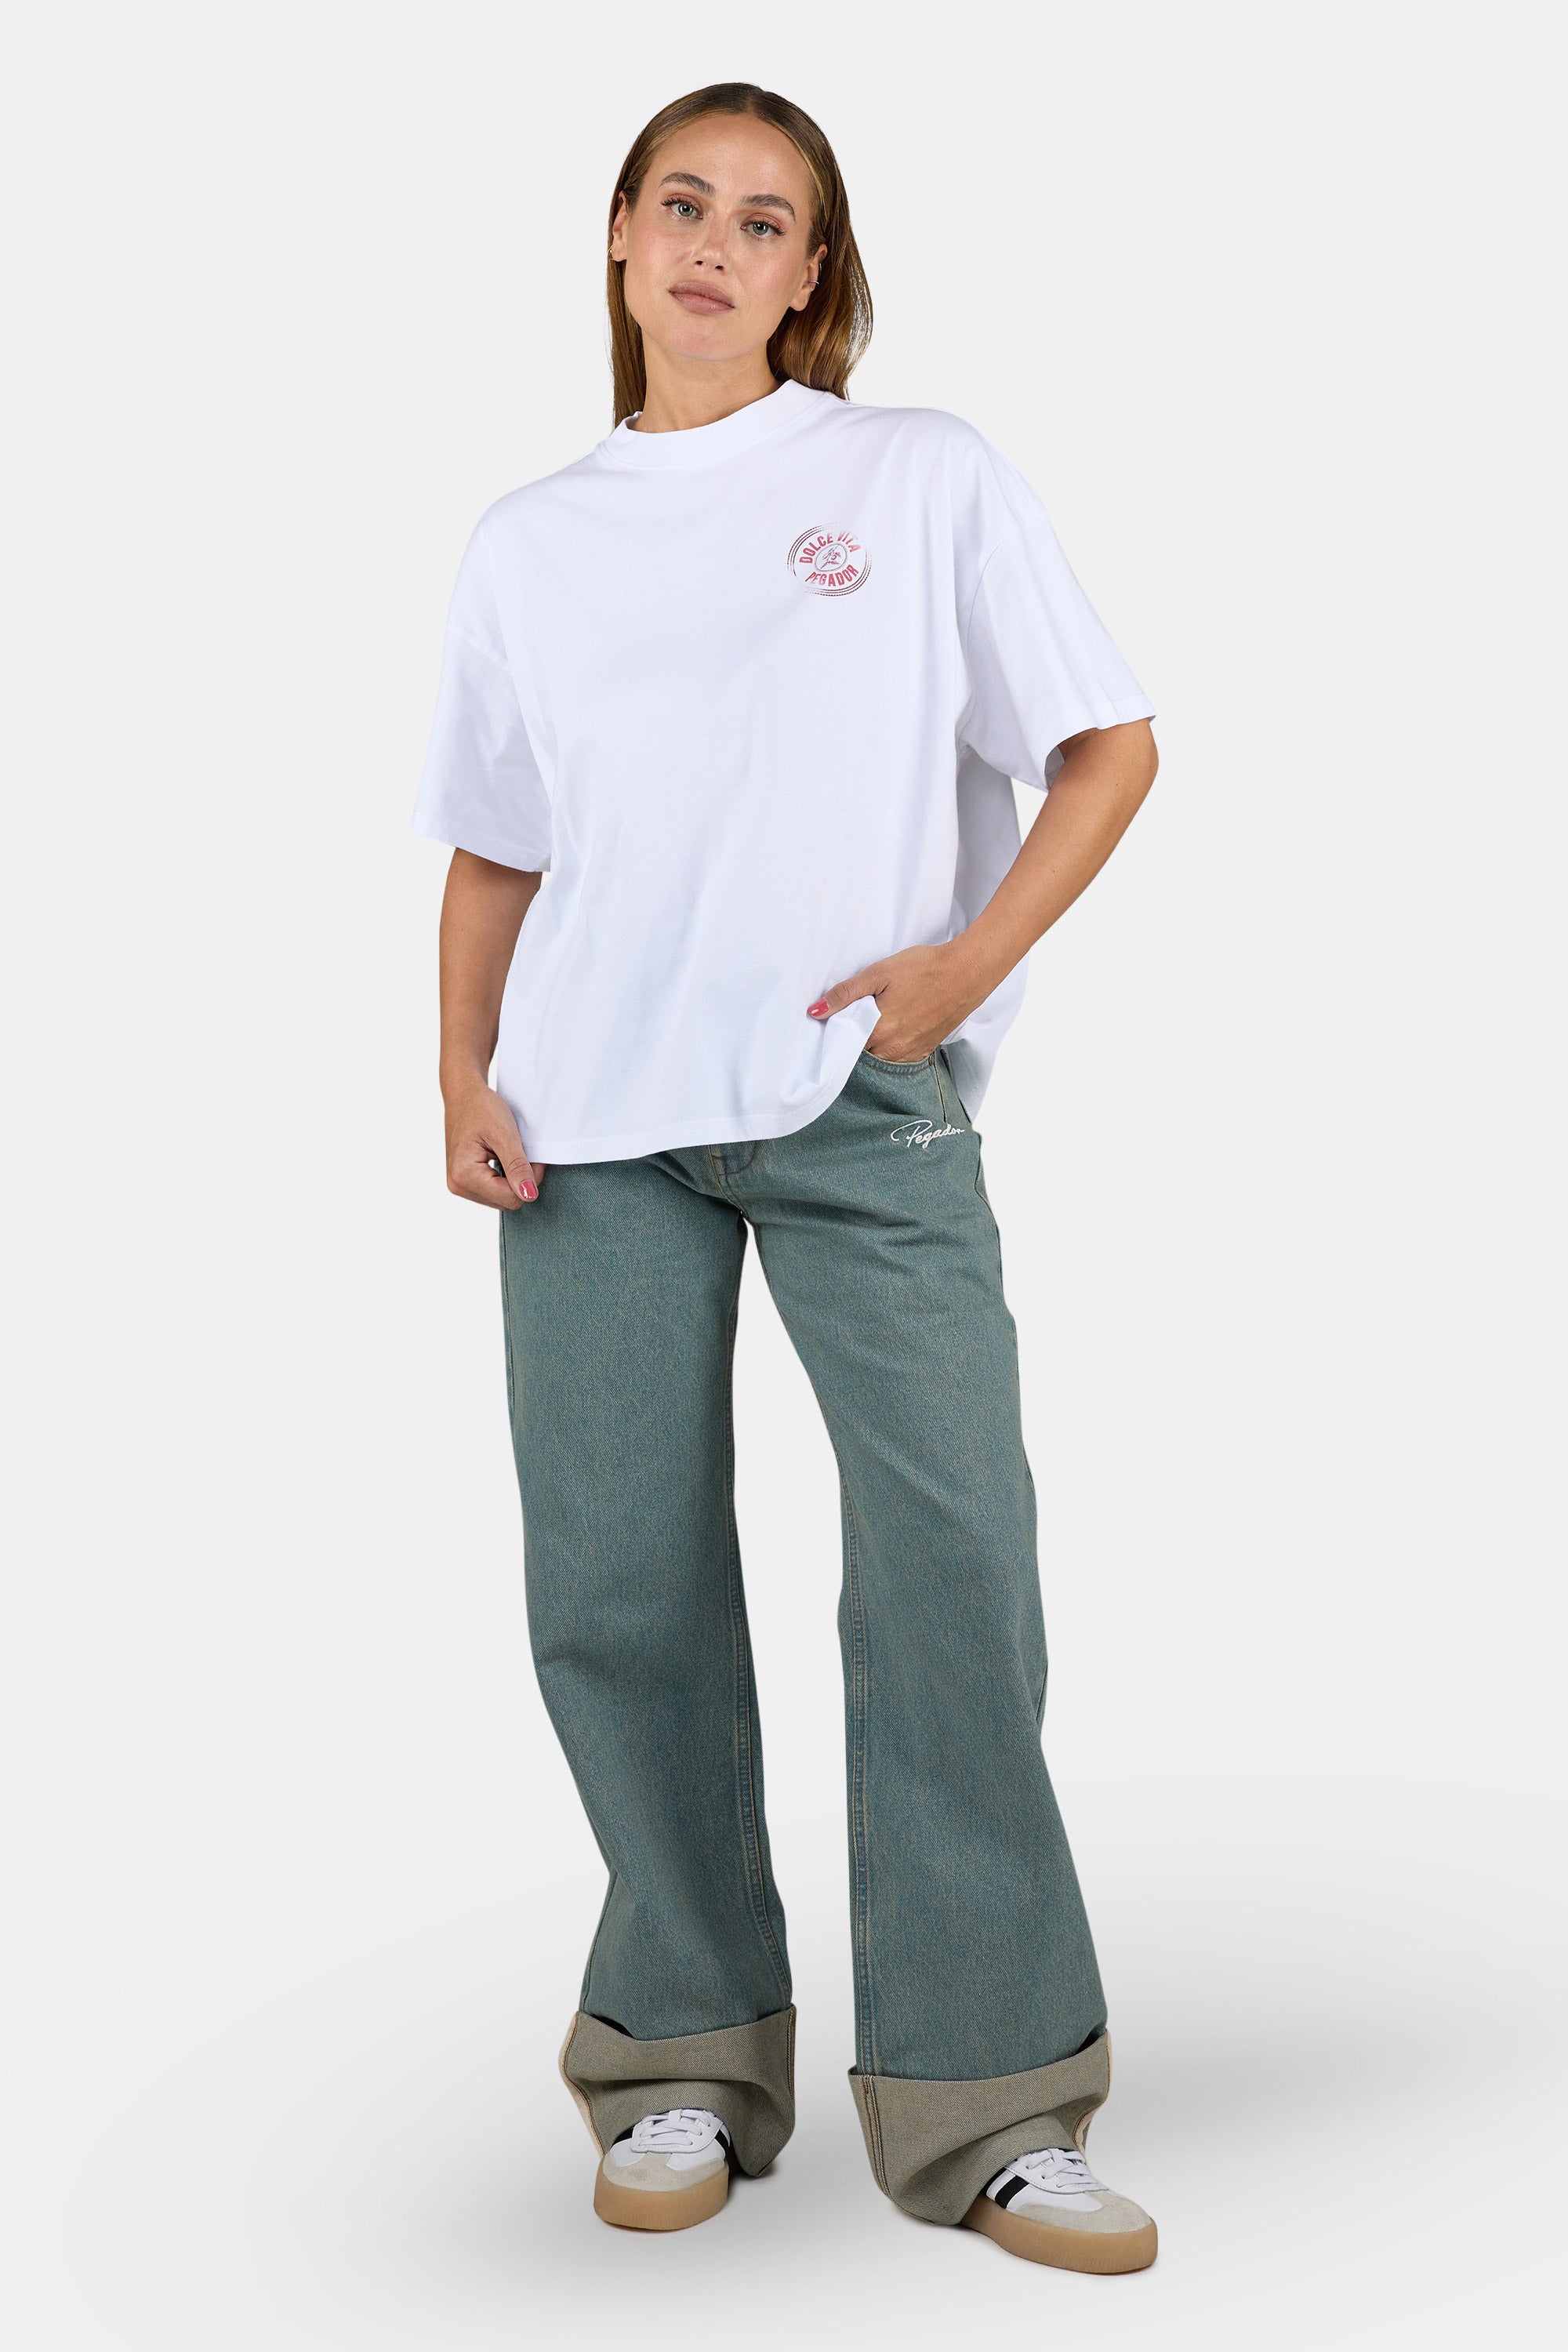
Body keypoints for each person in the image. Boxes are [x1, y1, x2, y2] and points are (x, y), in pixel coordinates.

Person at [414, 82, 1160, 2274]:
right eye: (683, 204)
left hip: (860, 1099)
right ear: (620, 235)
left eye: (767, 221)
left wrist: (962, 972)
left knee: (952, 1573)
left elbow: (1109, 744)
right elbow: (496, 847)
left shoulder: (915, 476)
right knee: (620, 1586)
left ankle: (992, 2100)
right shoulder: (529, 541)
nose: (716, 247)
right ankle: (677, 2050)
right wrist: (456, 1070)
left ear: (814, 272)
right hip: (588, 1130)